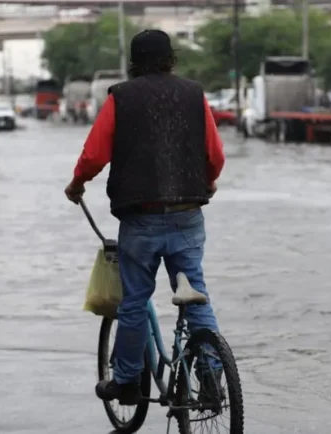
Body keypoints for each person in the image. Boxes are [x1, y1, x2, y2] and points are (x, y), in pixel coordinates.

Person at [64, 29, 226, 405]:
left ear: (134, 63)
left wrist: (77, 185)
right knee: (196, 295)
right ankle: (212, 376)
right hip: (188, 212)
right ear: (172, 58)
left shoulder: (121, 97)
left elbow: (93, 156)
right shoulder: (194, 93)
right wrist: (210, 182)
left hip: (140, 217)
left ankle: (127, 383)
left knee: (134, 300)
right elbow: (214, 153)